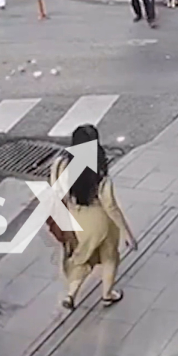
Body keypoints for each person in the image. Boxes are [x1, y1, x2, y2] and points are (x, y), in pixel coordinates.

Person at [49, 125, 137, 311]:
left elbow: (56, 192)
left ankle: (71, 295)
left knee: (83, 258)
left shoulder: (61, 164)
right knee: (109, 257)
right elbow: (111, 207)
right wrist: (128, 234)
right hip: (101, 221)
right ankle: (107, 295)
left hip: (77, 219)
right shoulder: (99, 171)